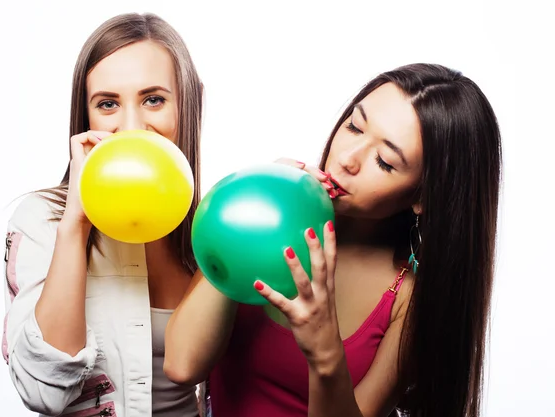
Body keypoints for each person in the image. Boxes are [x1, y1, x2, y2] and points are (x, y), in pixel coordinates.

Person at [164, 63, 502, 417]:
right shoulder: (266, 210)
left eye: (385, 161)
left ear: (423, 196)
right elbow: (183, 366)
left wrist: (324, 350)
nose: (346, 159)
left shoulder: (408, 299)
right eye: (354, 126)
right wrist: (253, 204)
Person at [1, 12, 204, 417]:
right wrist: (75, 226)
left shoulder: (208, 229)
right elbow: (42, 393)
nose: (130, 127)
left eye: (154, 100)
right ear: (86, 115)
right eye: (108, 104)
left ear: (188, 105)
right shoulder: (41, 221)